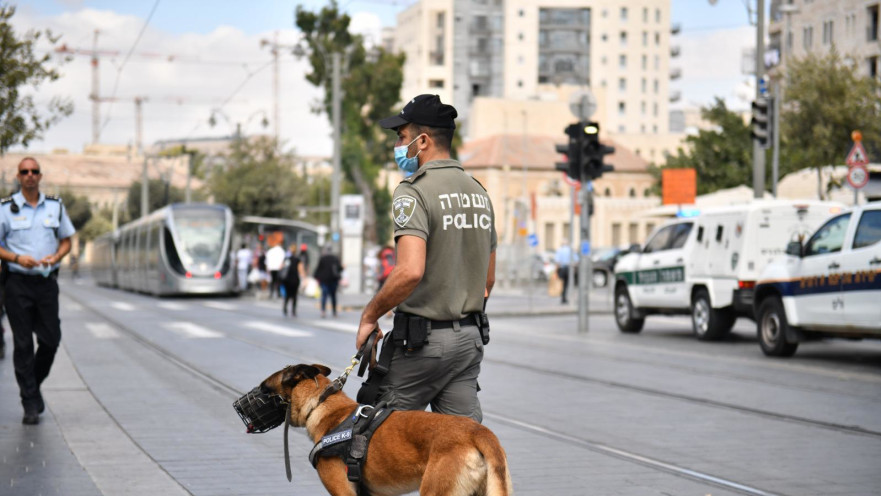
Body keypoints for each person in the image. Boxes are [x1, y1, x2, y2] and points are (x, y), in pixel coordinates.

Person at [356, 94, 497, 424]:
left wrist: (369, 316)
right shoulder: (479, 192)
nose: (397, 145)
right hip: (468, 343)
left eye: (401, 137)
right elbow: (487, 281)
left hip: (422, 347)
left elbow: (409, 271)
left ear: (422, 141)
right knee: (462, 447)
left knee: (380, 441)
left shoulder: (414, 191)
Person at [0, 157, 75, 425]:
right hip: (17, 283)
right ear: (18, 177)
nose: (30, 175)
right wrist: (17, 258)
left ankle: (33, 384)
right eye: (24, 172)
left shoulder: (54, 206)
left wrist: (56, 257)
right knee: (22, 344)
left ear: (40, 176)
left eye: (34, 171)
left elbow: (66, 240)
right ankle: (30, 402)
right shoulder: (6, 209)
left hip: (45, 283)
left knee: (51, 340)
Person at [313, 247, 343, 318]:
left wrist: (316, 277)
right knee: (333, 296)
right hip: (333, 280)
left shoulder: (323, 258)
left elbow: (318, 269)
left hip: (324, 280)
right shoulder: (335, 258)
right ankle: (334, 312)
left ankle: (323, 311)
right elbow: (339, 268)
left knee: (324, 296)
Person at [282, 244, 305, 317]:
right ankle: (293, 311)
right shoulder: (297, 259)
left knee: (287, 295)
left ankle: (285, 307)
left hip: (287, 279)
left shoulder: (286, 259)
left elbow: (281, 267)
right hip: (295, 279)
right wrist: (304, 278)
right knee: (294, 296)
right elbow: (301, 270)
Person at [555, 239, 574, 304]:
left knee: (561, 283)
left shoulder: (560, 250)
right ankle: (564, 297)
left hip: (562, 268)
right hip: (569, 268)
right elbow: (576, 260)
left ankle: (562, 297)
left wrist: (556, 271)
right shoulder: (570, 250)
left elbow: (557, 262)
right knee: (566, 284)